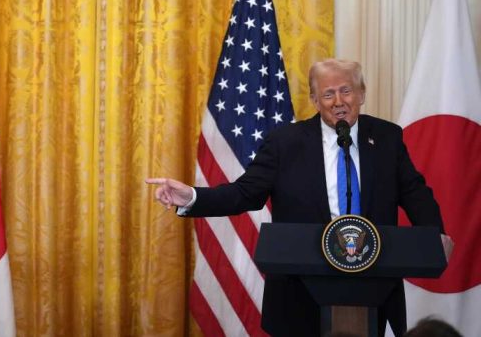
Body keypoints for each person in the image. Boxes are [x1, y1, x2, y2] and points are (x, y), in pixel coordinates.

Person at [147, 58, 453, 337]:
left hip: (373, 287)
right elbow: (245, 194)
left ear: (361, 93)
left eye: (346, 91)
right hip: (299, 292)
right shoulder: (285, 143)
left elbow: (415, 193)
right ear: (314, 100)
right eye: (328, 94)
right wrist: (191, 197)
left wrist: (434, 234)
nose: (338, 102)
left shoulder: (387, 137)